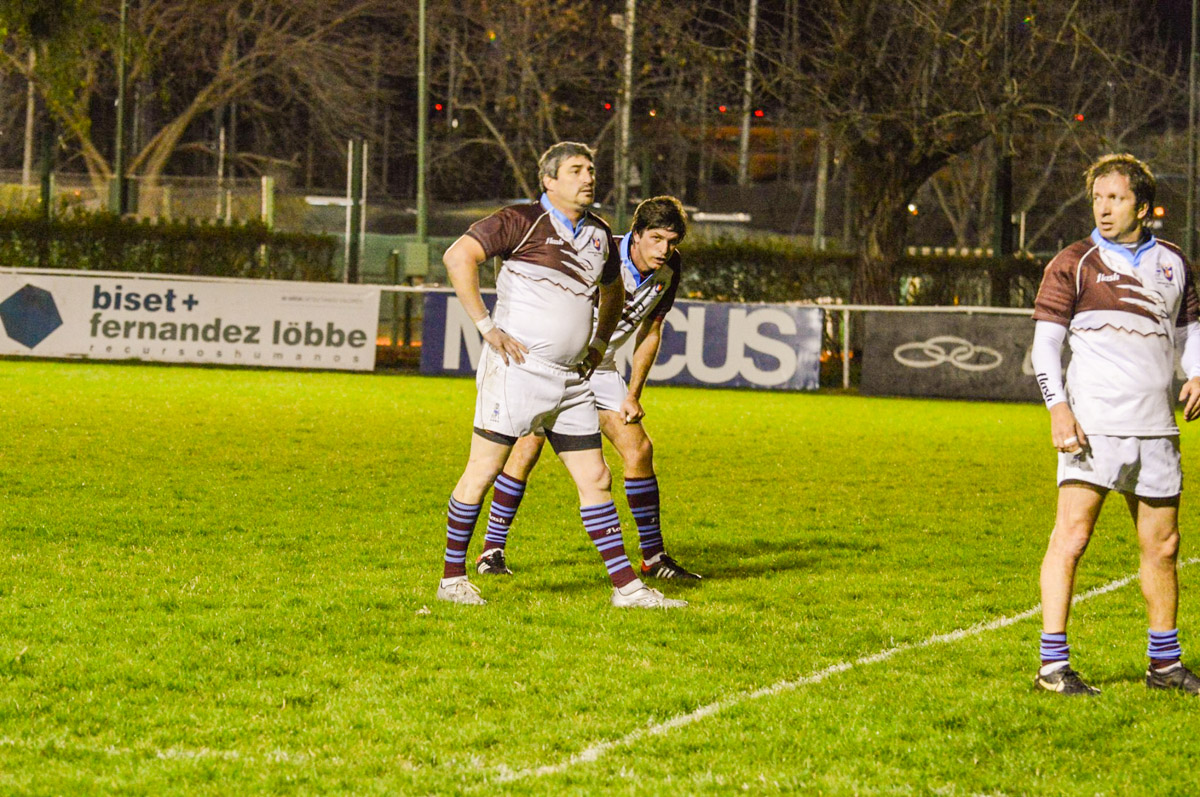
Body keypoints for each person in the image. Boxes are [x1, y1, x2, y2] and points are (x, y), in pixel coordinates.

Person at [435, 141, 686, 610]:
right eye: (575, 170)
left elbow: (612, 291)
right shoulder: (520, 220)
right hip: (517, 371)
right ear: (549, 180)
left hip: (572, 378)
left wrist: (598, 344)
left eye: (590, 169)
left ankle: (628, 588)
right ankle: (452, 578)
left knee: (596, 477)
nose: (588, 177)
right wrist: (487, 327)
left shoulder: (599, 233)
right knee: (483, 471)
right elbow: (457, 257)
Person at [1030, 152, 1200, 696]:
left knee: (1164, 547)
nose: (1103, 209)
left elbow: (1188, 333)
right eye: (1098, 198)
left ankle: (1164, 666)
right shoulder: (1074, 262)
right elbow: (1045, 347)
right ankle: (1053, 668)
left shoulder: (1174, 262)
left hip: (1157, 428)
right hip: (1094, 427)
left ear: (1143, 207)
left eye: (1116, 198)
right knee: (1072, 538)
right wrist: (1058, 407)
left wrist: (1198, 372)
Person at [474, 196, 701, 582]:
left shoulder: (670, 268)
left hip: (599, 365)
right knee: (527, 447)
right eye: (657, 239)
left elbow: (651, 330)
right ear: (636, 234)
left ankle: (653, 557)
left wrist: (633, 394)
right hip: (554, 361)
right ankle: (491, 550)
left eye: (672, 241)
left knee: (639, 449)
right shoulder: (601, 252)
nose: (664, 249)